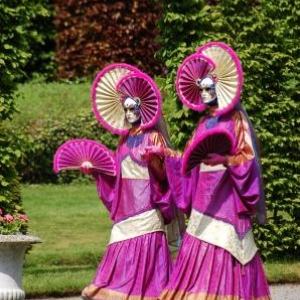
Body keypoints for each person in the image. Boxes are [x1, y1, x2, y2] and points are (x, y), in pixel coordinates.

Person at [144, 42, 271, 300]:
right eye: (200, 89)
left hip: (226, 201)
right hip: (203, 201)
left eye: (208, 88)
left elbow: (246, 158)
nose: (203, 93)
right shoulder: (203, 122)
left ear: (220, 88)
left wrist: (224, 160)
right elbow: (189, 159)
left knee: (225, 250)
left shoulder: (235, 121)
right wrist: (167, 154)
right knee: (197, 253)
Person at [80, 66, 176, 300]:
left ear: (143, 108)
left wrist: (153, 160)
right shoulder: (123, 140)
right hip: (126, 205)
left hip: (147, 203)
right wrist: (95, 171)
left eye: (133, 108)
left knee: (146, 251)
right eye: (126, 109)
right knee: (118, 245)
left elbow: (164, 177)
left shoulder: (154, 136)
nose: (129, 112)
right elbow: (116, 174)